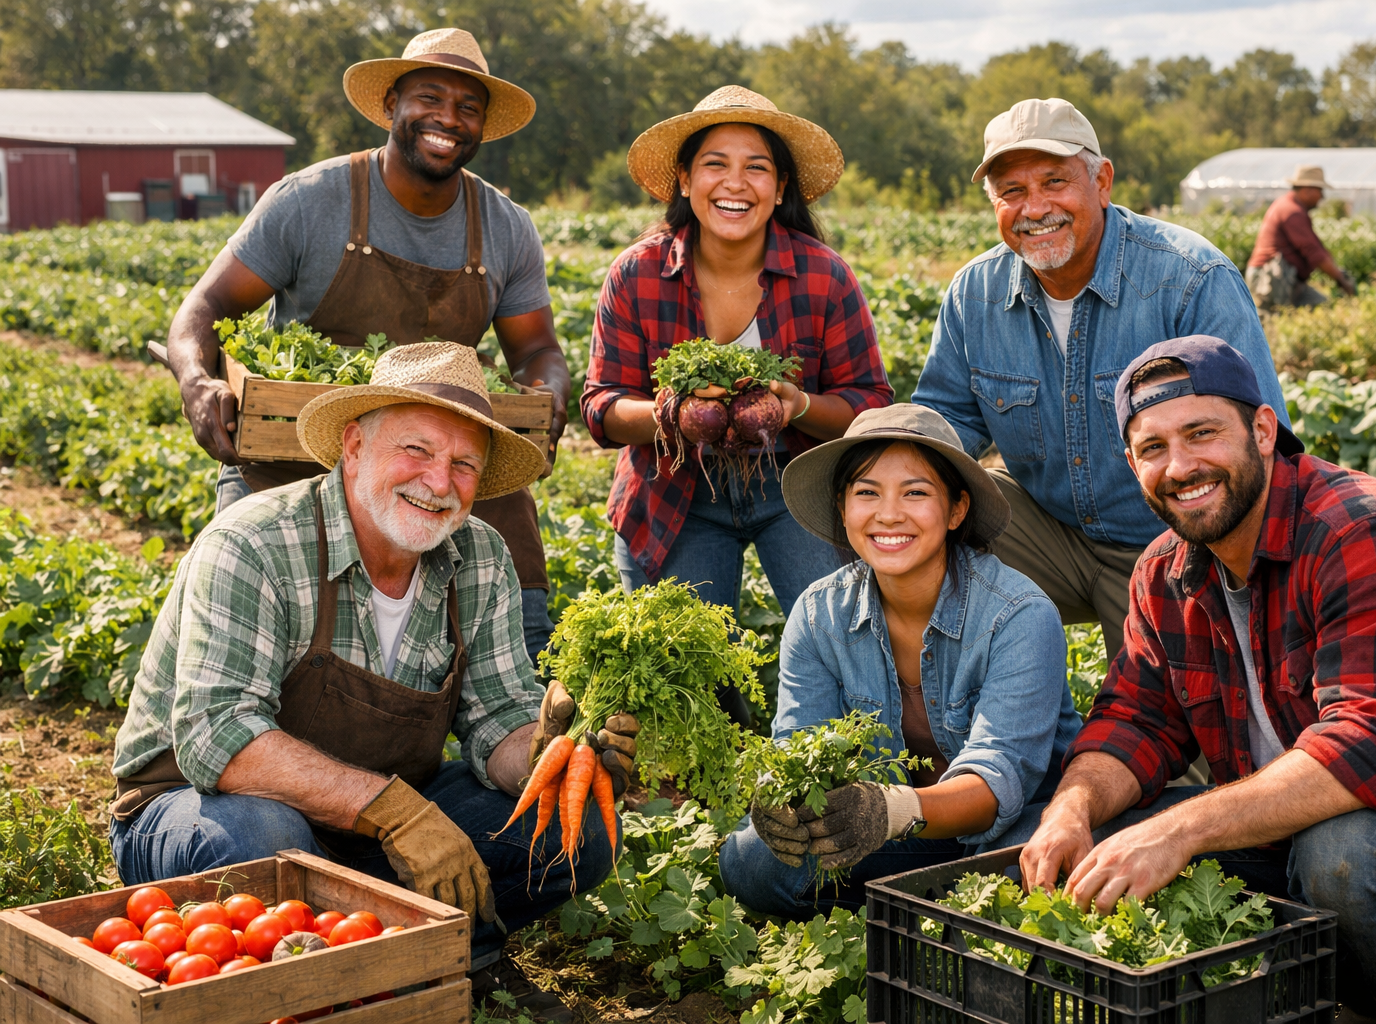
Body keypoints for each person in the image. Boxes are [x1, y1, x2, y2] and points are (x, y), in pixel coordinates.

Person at [1014, 335, 1376, 1022]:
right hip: (1291, 832)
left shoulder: (1366, 532)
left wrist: (1180, 830)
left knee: (1347, 856)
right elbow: (1135, 722)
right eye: (1153, 448)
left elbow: (1371, 750)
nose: (1181, 465)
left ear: (1263, 431)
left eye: (1202, 434)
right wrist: (1071, 810)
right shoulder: (1163, 572)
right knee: (1097, 840)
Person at [110, 344, 640, 1009]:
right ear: (354, 446)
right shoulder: (254, 543)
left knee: (573, 830)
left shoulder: (479, 556)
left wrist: (546, 756)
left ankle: (440, 954)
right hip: (198, 809)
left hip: (371, 828)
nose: (438, 482)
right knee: (268, 842)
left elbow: (499, 718)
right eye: (416, 451)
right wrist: (396, 813)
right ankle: (349, 969)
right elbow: (218, 736)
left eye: (463, 464)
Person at [164, 27, 566, 660]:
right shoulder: (309, 202)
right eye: (429, 98)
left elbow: (536, 348)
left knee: (525, 631)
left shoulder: (506, 227)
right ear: (390, 106)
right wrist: (196, 380)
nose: (448, 119)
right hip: (296, 455)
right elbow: (205, 309)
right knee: (239, 638)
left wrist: (550, 390)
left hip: (442, 465)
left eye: (468, 108)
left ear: (483, 126)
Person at [912, 97, 1289, 661]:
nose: (1035, 207)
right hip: (1049, 536)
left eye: (1055, 182)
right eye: (1012, 191)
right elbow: (946, 423)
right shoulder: (976, 293)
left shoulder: (1188, 278)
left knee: (1180, 738)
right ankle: (971, 722)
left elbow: (1262, 446)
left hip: (1174, 544)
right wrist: (875, 479)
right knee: (911, 523)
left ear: (1102, 181)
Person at [581, 85, 893, 722]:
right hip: (675, 489)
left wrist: (796, 405)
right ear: (685, 179)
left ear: (780, 188)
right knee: (691, 683)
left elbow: (869, 402)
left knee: (845, 643)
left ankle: (854, 771)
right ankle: (710, 803)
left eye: (757, 167)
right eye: (716, 163)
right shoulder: (637, 273)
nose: (736, 182)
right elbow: (602, 405)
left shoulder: (822, 274)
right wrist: (673, 413)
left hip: (795, 483)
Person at [718, 404, 1081, 918]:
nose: (888, 514)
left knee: (1026, 870)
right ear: (843, 509)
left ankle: (910, 911)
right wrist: (780, 796)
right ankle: (916, 909)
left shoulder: (1019, 614)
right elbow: (798, 744)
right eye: (867, 492)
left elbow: (1000, 781)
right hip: (895, 834)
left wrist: (895, 808)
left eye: (915, 492)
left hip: (1016, 821)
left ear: (956, 510)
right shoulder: (820, 614)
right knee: (752, 862)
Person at [1245, 164, 1357, 310]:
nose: (1322, 197)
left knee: (1319, 308)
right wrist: (1341, 280)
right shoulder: (1292, 212)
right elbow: (1314, 252)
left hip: (1279, 276)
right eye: (1320, 190)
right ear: (1307, 190)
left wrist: (1337, 272)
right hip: (1269, 277)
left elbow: (1317, 249)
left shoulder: (1289, 206)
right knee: (1278, 318)